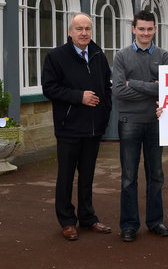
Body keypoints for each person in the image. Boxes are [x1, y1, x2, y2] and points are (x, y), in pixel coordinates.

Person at [42, 13, 112, 241]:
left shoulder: (99, 54)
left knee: (88, 176)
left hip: (93, 129)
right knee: (65, 177)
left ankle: (88, 217)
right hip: (69, 128)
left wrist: (105, 110)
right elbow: (49, 88)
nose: (84, 33)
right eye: (79, 29)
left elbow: (107, 86)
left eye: (88, 28)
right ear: (70, 32)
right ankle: (67, 221)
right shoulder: (56, 56)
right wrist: (78, 96)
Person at [112, 10, 168, 242]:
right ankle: (129, 225)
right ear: (133, 29)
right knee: (128, 176)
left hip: (157, 122)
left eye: (149, 29)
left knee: (156, 175)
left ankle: (155, 221)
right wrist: (151, 88)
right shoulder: (121, 56)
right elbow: (118, 91)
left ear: (155, 29)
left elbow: (167, 88)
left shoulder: (164, 55)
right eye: (141, 29)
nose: (145, 33)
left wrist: (134, 84)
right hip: (129, 122)